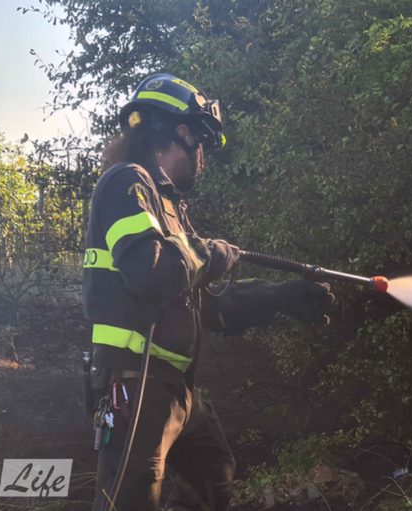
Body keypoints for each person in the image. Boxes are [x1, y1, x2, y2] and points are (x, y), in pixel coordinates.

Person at [82, 73, 335, 511]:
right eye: (202, 143)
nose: (203, 158)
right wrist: (208, 252)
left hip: (174, 390)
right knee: (131, 501)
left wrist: (281, 297)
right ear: (181, 133)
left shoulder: (167, 207)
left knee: (213, 474)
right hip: (136, 383)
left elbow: (206, 307)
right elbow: (151, 274)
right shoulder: (127, 184)